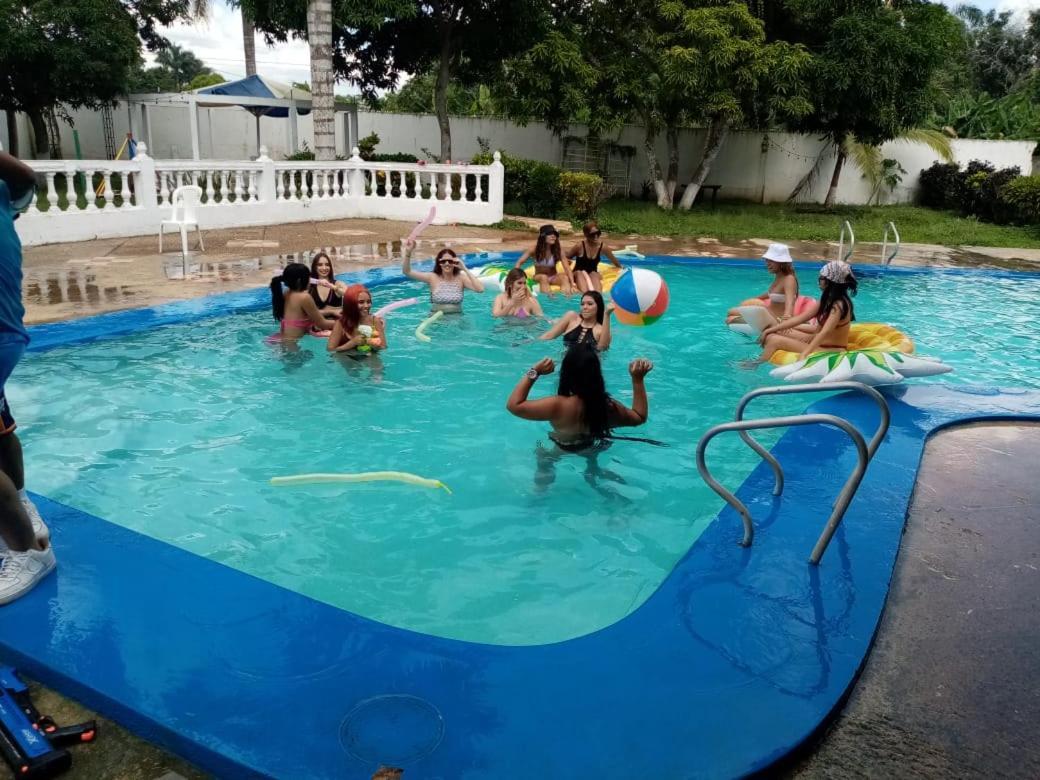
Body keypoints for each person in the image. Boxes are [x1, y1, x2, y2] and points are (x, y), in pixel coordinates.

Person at [0, 151, 56, 606]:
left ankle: (27, 552)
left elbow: (25, 178)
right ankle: (22, 506)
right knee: (1, 431)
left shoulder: (3, 193)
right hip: (6, 334)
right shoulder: (4, 198)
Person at [506, 347, 653, 452]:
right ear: (597, 375)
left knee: (545, 456)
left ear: (567, 373)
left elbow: (514, 405)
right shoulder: (608, 406)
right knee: (593, 463)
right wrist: (637, 380)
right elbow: (639, 417)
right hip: (592, 445)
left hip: (563, 445)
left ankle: (541, 484)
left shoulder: (557, 405)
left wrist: (535, 371)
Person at [756, 260, 858, 363]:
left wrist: (805, 353)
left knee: (774, 340)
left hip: (830, 350)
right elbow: (801, 318)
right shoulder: (826, 299)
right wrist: (770, 330)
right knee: (772, 331)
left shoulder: (838, 305)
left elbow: (824, 332)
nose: (818, 281)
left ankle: (755, 365)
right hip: (816, 340)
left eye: (821, 278)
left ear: (830, 281)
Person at [726, 243, 802, 325]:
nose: (767, 263)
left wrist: (787, 318)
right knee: (731, 314)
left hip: (776, 320)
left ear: (782, 263)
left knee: (730, 316)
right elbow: (772, 293)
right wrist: (755, 299)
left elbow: (790, 301)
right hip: (768, 315)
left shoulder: (789, 279)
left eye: (771, 261)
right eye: (767, 260)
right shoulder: (779, 276)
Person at [401, 239, 484, 312]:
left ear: (455, 262)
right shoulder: (432, 277)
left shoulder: (461, 278)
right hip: (437, 321)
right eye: (443, 261)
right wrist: (408, 252)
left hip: (457, 319)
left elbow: (480, 289)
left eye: (450, 261)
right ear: (439, 263)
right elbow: (407, 272)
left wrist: (464, 268)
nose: (447, 264)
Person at [269, 262, 333, 340]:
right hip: (292, 345)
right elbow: (323, 324)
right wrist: (344, 322)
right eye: (308, 278)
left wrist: (331, 312)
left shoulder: (287, 292)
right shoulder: (304, 297)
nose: (310, 281)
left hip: (283, 337)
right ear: (299, 281)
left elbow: (308, 314)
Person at [540, 290, 614, 352]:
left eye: (590, 304)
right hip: (564, 362)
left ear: (599, 307)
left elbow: (602, 349)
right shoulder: (571, 317)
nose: (585, 307)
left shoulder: (601, 331)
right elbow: (548, 336)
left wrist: (607, 314)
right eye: (582, 304)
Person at [514, 224, 575, 296]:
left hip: (553, 277)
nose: (553, 236)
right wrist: (515, 277)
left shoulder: (558, 250)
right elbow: (519, 262)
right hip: (539, 277)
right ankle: (549, 300)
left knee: (564, 278)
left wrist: (573, 283)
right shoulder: (534, 249)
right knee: (543, 277)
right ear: (543, 236)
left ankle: (565, 301)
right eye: (550, 234)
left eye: (555, 234)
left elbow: (567, 268)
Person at [327, 284, 387, 355]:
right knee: (350, 364)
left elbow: (383, 347)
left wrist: (374, 345)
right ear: (350, 304)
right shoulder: (341, 323)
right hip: (346, 354)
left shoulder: (375, 321)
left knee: (378, 366)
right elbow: (330, 350)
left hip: (369, 354)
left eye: (368, 302)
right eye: (361, 302)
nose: (366, 306)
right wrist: (352, 343)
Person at [566, 221, 623, 293]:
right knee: (579, 273)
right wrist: (568, 261)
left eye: (598, 233)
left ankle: (598, 297)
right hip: (577, 273)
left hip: (592, 273)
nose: (596, 236)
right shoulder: (580, 246)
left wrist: (622, 270)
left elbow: (614, 261)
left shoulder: (603, 247)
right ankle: (584, 294)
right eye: (592, 234)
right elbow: (567, 257)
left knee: (594, 274)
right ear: (586, 235)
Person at [309, 252, 345, 321]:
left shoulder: (338, 284)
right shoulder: (311, 287)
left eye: (327, 265)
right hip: (317, 329)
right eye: (320, 265)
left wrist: (334, 288)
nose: (324, 268)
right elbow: (308, 312)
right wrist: (331, 311)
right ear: (314, 267)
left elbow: (350, 294)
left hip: (336, 327)